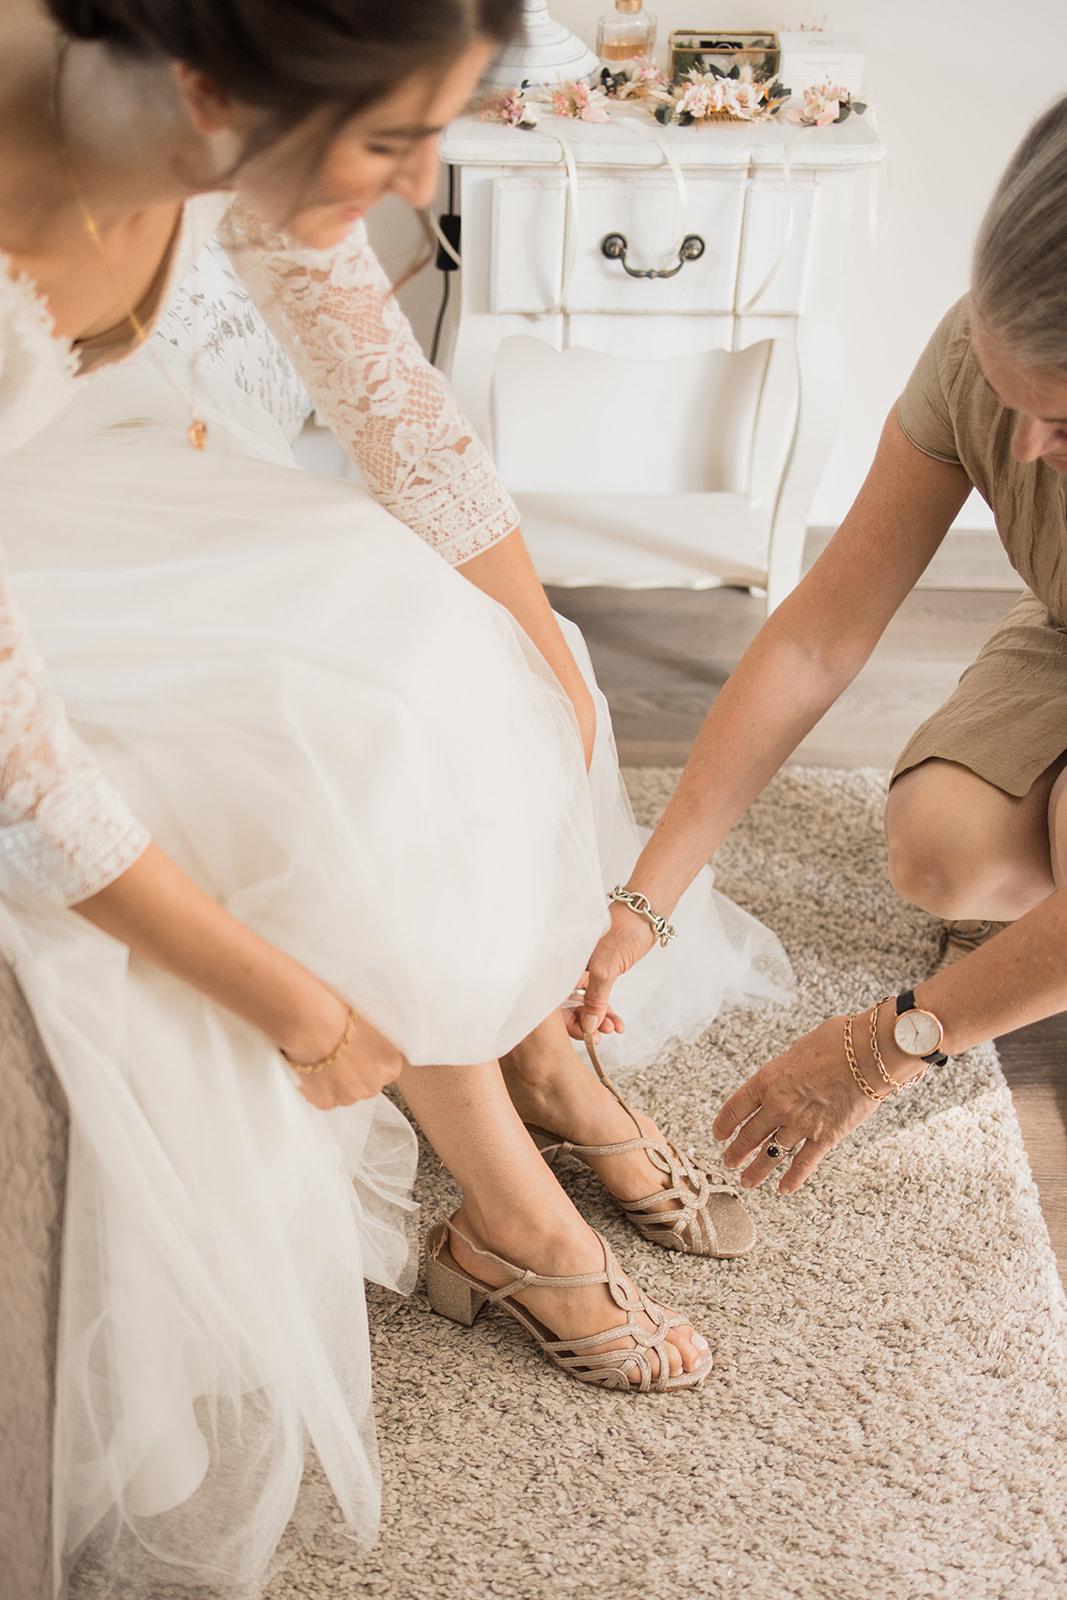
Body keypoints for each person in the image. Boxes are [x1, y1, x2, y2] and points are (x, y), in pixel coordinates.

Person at [0, 1, 791, 1592]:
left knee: (440, 632)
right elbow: (24, 784)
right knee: (306, 727)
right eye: (390, 141)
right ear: (210, 94)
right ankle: (513, 1221)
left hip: (69, 492)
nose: (425, 177)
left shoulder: (230, 99)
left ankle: (548, 1071)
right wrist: (295, 1008)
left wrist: (546, 668)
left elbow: (391, 408)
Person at [578, 95, 1067, 1198]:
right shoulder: (971, 351)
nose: (1026, 454)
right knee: (939, 854)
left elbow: (884, 1048)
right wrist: (644, 898)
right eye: (1006, 398)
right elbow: (816, 635)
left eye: (1065, 425)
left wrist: (882, 1048)